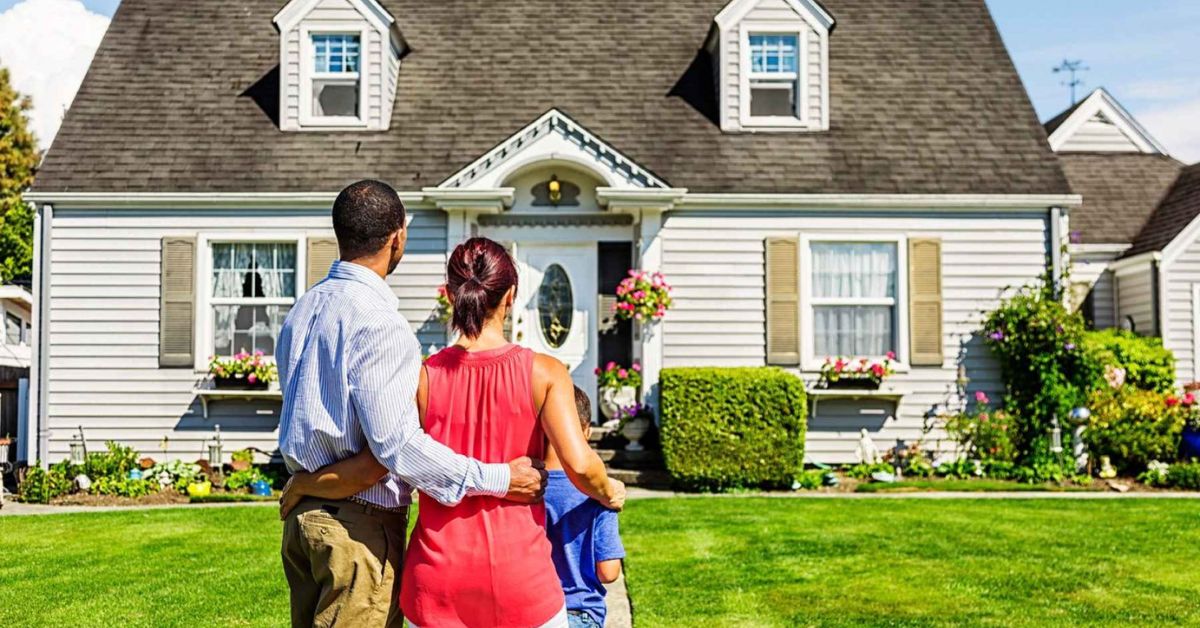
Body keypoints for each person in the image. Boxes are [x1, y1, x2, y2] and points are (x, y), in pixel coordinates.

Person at [282, 236, 626, 628]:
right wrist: (608, 490)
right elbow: (580, 466)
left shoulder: (423, 377)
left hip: (436, 579)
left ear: (451, 295)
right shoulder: (546, 373)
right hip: (521, 579)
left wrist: (308, 482)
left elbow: (385, 456)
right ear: (510, 295)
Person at [275, 181, 547, 628]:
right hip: (356, 530)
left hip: (305, 523)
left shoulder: (304, 309)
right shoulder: (381, 323)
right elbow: (396, 449)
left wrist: (306, 484)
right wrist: (500, 477)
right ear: (397, 237)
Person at [545, 387, 626, 628]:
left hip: (535, 612)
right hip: (580, 612)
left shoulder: (524, 487)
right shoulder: (600, 494)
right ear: (587, 430)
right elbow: (609, 572)